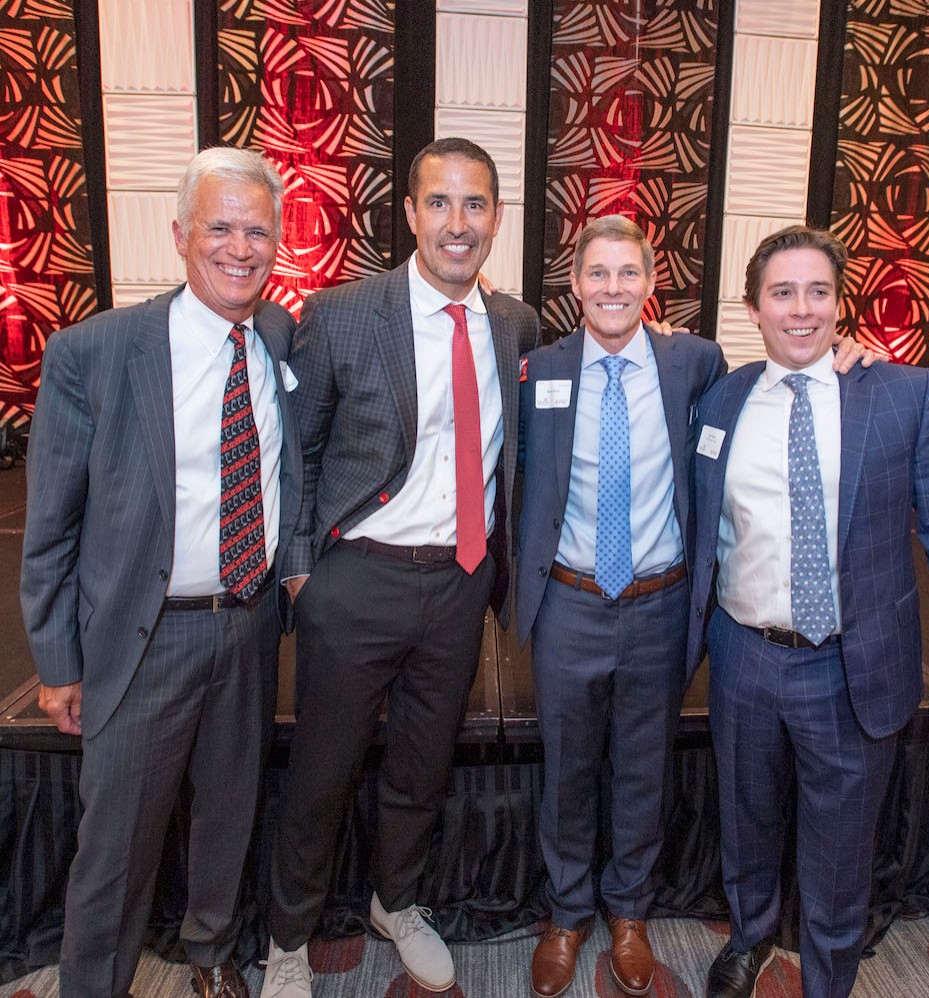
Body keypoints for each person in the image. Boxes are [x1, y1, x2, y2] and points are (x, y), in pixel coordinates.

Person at [261, 137, 540, 996]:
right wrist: (305, 575)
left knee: (422, 766)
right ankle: (286, 941)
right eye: (440, 204)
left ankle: (398, 901)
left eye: (477, 205)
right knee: (323, 773)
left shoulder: (515, 323)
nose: (458, 224)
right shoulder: (344, 314)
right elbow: (297, 456)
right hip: (357, 582)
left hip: (459, 586)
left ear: (496, 219)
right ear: (412, 213)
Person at [20, 147, 300, 998]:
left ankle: (212, 958)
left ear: (278, 241)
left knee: (227, 814)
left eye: (258, 230)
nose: (239, 247)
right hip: (143, 638)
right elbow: (50, 526)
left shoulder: (280, 335)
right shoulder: (95, 352)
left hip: (248, 624)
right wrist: (58, 660)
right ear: (180, 234)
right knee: (116, 848)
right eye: (220, 226)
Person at [686, 225, 929, 998]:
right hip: (745, 656)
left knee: (840, 848)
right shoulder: (720, 398)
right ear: (753, 307)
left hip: (853, 665)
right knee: (746, 820)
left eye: (817, 291)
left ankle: (829, 977)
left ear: (838, 301)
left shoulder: (902, 395)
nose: (801, 310)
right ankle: (750, 938)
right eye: (782, 293)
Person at [516, 215, 726, 998]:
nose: (612, 289)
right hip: (569, 603)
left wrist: (851, 355)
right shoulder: (537, 369)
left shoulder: (695, 363)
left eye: (627, 274)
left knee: (644, 767)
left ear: (650, 282)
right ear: (574, 285)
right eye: (597, 275)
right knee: (567, 769)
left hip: (661, 606)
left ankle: (629, 913)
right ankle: (568, 913)